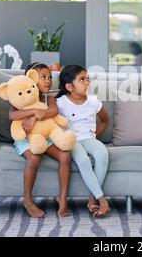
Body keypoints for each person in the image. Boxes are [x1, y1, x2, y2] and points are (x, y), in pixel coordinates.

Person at [9, 62, 72, 218]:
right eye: (43, 77)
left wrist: (35, 116)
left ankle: (62, 198)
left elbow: (53, 111)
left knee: (65, 155)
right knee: (34, 158)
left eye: (50, 77)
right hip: (25, 137)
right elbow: (12, 115)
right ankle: (28, 201)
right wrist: (34, 112)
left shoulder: (48, 98)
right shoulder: (19, 95)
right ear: (30, 79)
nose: (48, 80)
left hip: (45, 137)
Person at [56, 65, 111, 218]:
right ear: (69, 86)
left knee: (102, 154)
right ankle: (102, 200)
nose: (87, 82)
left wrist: (94, 134)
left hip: (89, 138)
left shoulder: (93, 101)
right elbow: (53, 124)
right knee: (83, 160)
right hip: (72, 141)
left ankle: (93, 198)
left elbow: (106, 120)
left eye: (87, 78)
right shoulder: (60, 103)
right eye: (82, 79)